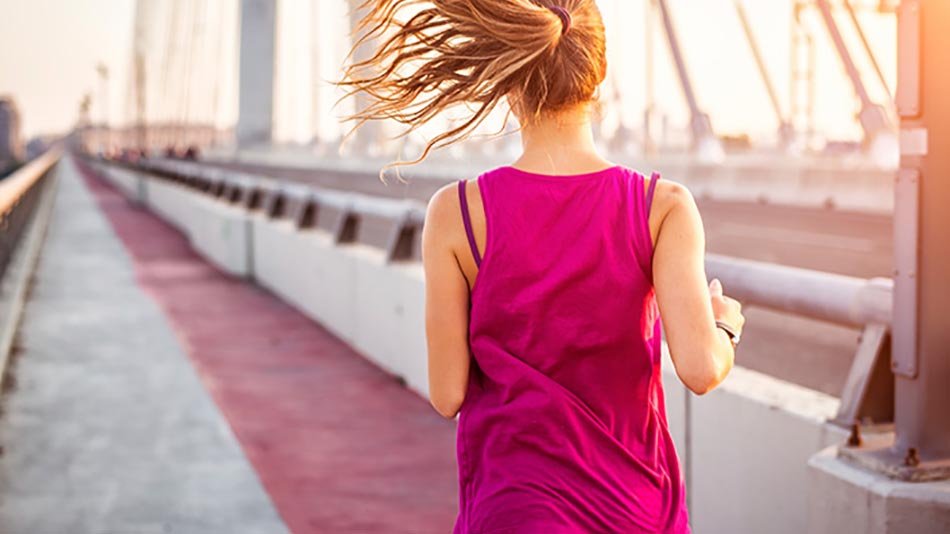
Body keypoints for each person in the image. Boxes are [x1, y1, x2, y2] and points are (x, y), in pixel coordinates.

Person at [339, 1, 745, 532]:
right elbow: (700, 368)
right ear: (598, 77)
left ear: (510, 81)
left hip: (511, 509)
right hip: (632, 509)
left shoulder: (456, 212)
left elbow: (447, 394)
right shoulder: (661, 206)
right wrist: (723, 323)